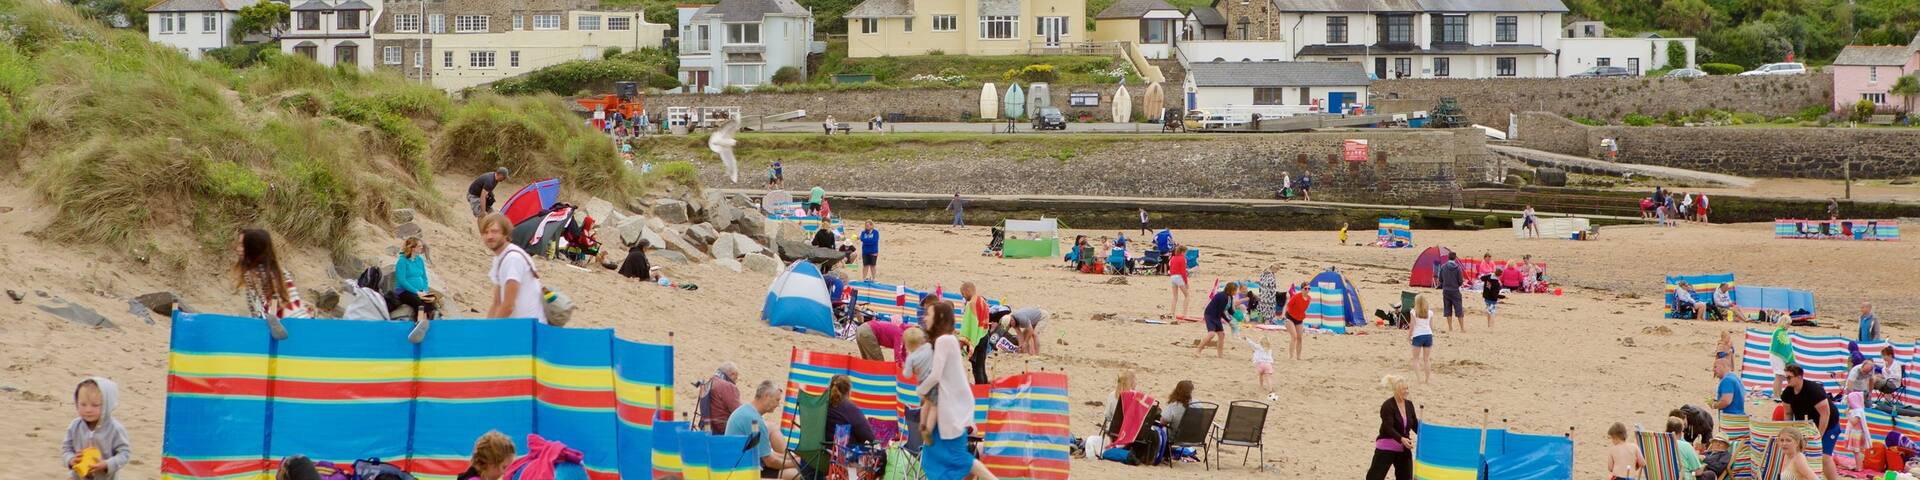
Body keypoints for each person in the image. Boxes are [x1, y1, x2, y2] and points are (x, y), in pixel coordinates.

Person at [917, 302, 1000, 480]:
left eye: (929, 314)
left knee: (957, 457)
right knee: (938, 456)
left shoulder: (944, 340)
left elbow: (936, 375)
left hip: (952, 409)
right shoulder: (948, 340)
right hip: (950, 407)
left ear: (939, 318)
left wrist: (921, 390)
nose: (925, 317)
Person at [235, 228, 305, 340]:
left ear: (253, 249)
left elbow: (264, 305)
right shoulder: (278, 270)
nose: (237, 249)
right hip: (301, 321)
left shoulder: (255, 275)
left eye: (242, 246)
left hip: (286, 327)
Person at [480, 214, 546, 324]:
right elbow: (497, 303)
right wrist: (487, 330)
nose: (489, 236)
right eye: (486, 232)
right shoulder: (500, 258)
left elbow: (508, 305)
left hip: (529, 326)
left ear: (505, 234)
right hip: (517, 325)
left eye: (494, 231)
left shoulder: (512, 259)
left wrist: (492, 332)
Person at [727, 380, 800, 479]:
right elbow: (770, 461)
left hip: (738, 463)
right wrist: (797, 464)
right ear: (766, 396)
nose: (778, 404)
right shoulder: (754, 420)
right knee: (799, 474)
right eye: (777, 400)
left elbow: (768, 454)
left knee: (794, 464)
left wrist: (793, 459)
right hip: (742, 471)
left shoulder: (747, 410)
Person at [63, 377, 130, 480]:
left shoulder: (115, 429)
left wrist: (107, 464)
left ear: (107, 405)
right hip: (78, 476)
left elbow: (124, 453)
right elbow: (66, 448)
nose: (88, 410)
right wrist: (71, 459)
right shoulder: (75, 426)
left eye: (95, 405)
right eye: (83, 404)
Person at [1781, 364, 1840, 476]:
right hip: (1807, 426)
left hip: (1829, 424)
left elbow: (1825, 414)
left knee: (1824, 457)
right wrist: (1789, 433)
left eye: (1789, 378)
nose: (1786, 380)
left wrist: (1818, 436)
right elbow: (1788, 413)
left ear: (1799, 377)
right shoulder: (1788, 393)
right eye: (1785, 378)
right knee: (1802, 456)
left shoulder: (1814, 390)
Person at [1366, 375, 1419, 480]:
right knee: (1374, 477)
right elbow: (1388, 428)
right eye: (1404, 389)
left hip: (1403, 447)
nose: (1407, 391)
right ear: (1396, 390)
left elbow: (1414, 424)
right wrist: (1401, 439)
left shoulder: (1409, 405)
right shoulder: (1387, 406)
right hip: (1386, 447)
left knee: (1406, 477)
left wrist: (1426, 433)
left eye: (1407, 388)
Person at [393, 237, 438, 327]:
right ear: (413, 248)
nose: (422, 248)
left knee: (431, 303)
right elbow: (402, 280)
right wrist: (417, 292)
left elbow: (424, 277)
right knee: (418, 302)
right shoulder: (402, 261)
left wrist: (424, 290)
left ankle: (429, 323)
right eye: (419, 246)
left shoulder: (419, 260)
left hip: (420, 291)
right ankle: (420, 322)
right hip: (404, 291)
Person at [824, 375, 877, 444]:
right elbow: (869, 437)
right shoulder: (850, 408)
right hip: (842, 452)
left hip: (819, 451)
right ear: (848, 391)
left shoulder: (822, 405)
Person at [1196, 282, 1240, 358]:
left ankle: (1220, 355)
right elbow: (1222, 312)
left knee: (1222, 335)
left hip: (1216, 316)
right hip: (1210, 315)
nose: (1236, 292)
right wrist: (1229, 321)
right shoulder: (1222, 296)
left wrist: (1236, 317)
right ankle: (1198, 350)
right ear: (1231, 290)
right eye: (1235, 290)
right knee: (1211, 334)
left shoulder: (1230, 297)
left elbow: (1229, 310)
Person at [698, 363, 742, 434]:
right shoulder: (728, 386)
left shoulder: (710, 382)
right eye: (736, 378)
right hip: (724, 429)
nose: (735, 382)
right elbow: (739, 412)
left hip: (709, 428)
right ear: (733, 374)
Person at [1409, 294, 1434, 384]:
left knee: (1416, 359)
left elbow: (1412, 326)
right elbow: (1431, 326)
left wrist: (1409, 336)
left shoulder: (1413, 312)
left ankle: (1419, 379)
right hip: (1428, 335)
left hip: (1418, 335)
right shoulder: (1430, 312)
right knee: (1426, 359)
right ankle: (1427, 379)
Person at [1437, 252, 1464, 332]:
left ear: (1448, 257)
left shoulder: (1443, 267)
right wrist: (1457, 285)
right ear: (1455, 258)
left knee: (1447, 309)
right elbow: (1460, 281)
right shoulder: (1458, 268)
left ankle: (1450, 328)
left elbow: (1440, 279)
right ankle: (1462, 328)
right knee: (1459, 309)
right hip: (1455, 290)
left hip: (1446, 290)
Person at [1284, 284, 1308, 360]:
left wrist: (1304, 314)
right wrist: (1283, 315)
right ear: (1302, 289)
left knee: (1300, 338)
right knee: (1294, 336)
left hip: (1299, 319)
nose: (1307, 290)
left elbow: (1303, 308)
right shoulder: (1296, 296)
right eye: (1305, 288)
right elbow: (1287, 305)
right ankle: (1291, 357)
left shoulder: (1309, 298)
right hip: (1290, 317)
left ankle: (1298, 357)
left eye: (1309, 288)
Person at [1771, 321, 1794, 398]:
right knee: (1778, 376)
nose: (1789, 326)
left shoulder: (1783, 332)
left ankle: (1778, 395)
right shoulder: (1779, 332)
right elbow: (1780, 346)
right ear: (1784, 322)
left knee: (1780, 377)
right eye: (1788, 323)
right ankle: (1776, 395)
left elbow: (1786, 346)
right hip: (1777, 356)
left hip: (1779, 356)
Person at [1169, 245, 1191, 320]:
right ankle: (1184, 314)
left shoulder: (1173, 258)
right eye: (1185, 252)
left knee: (1175, 297)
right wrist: (1186, 282)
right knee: (1187, 295)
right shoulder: (1182, 259)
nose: (1186, 254)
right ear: (1183, 252)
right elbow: (1183, 272)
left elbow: (1171, 268)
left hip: (1172, 277)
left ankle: (1172, 313)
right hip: (1179, 277)